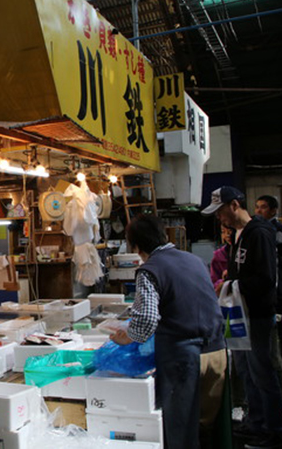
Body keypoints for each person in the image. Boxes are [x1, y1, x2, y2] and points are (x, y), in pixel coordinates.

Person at [110, 214, 225, 449]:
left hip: (184, 358)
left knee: (181, 431)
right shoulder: (194, 260)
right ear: (163, 235)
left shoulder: (149, 269)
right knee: (209, 428)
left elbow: (148, 319)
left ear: (137, 246)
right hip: (217, 353)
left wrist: (127, 337)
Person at [203, 187, 282, 449]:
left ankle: (273, 430)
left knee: (263, 372)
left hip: (257, 315)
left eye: (221, 211)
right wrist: (228, 281)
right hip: (239, 313)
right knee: (246, 371)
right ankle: (256, 421)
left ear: (235, 205)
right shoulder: (239, 235)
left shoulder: (259, 233)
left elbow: (266, 279)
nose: (219, 218)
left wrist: (229, 286)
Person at [210, 225, 233, 291]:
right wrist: (223, 281)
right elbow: (213, 282)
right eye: (223, 232)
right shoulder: (218, 256)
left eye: (230, 231)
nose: (227, 235)